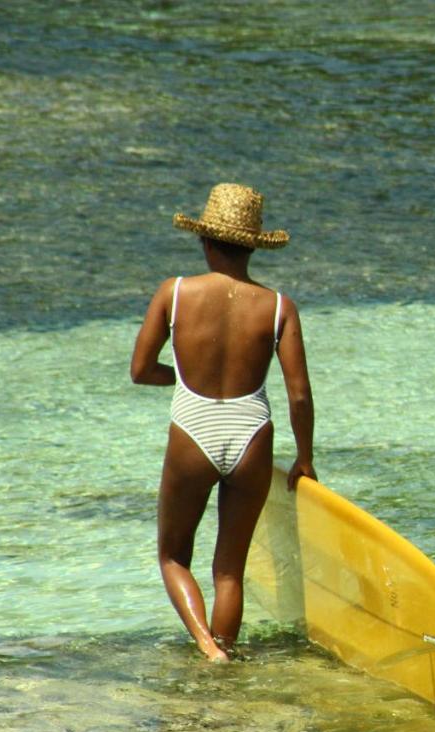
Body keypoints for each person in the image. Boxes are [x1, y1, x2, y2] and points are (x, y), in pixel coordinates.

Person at [130, 183, 315, 662]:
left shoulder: (174, 292)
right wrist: (305, 458)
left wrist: (184, 376)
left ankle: (207, 646)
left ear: (206, 242)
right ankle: (225, 655)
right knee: (229, 571)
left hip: (194, 427)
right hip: (252, 428)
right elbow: (298, 393)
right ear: (253, 246)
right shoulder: (278, 306)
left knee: (172, 556)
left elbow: (140, 371)